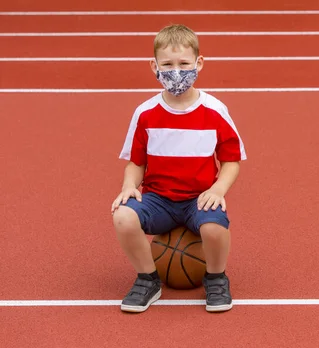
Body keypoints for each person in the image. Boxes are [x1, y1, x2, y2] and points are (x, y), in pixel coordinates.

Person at [110, 24, 247, 313]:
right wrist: (129, 187)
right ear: (154, 66)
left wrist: (218, 189)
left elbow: (231, 161)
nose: (176, 72)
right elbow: (136, 162)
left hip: (198, 197)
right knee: (122, 215)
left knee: (213, 226)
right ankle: (148, 279)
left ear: (199, 63)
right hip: (158, 200)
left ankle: (216, 278)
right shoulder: (145, 113)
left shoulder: (215, 110)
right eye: (168, 65)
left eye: (184, 64)